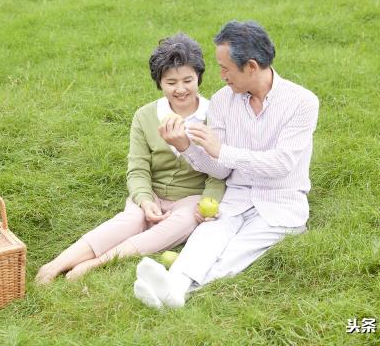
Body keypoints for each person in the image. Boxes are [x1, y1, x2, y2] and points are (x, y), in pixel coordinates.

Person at [133, 20, 320, 308]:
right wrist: (186, 147)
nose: (220, 76)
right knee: (207, 235)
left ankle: (177, 291)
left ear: (251, 67)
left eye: (225, 69)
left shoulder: (302, 102)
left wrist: (222, 151)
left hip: (281, 202)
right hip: (236, 197)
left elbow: (281, 164)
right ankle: (174, 285)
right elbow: (220, 169)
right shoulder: (222, 101)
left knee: (238, 249)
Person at [35, 33, 225, 283]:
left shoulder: (216, 116)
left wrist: (208, 202)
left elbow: (218, 171)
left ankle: (94, 264)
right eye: (171, 82)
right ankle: (55, 265)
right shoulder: (145, 116)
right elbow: (138, 168)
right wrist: (145, 200)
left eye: (188, 80)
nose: (180, 89)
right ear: (160, 83)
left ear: (199, 76)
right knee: (131, 220)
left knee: (182, 222)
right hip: (152, 191)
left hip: (190, 198)